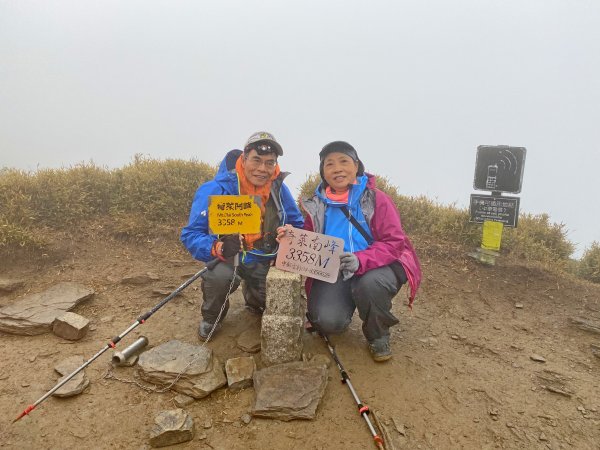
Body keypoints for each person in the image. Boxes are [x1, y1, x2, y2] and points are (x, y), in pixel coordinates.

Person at [296, 141, 421, 362]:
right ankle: (344, 304)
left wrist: (360, 260)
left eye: (344, 161)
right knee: (326, 322)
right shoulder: (316, 205)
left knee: (370, 285)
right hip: (336, 271)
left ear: (356, 166)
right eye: (329, 164)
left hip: (378, 267)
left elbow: (394, 242)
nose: (337, 168)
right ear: (323, 172)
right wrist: (290, 238)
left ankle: (378, 335)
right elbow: (309, 239)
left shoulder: (376, 199)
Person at [181, 131, 304, 340]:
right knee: (219, 277)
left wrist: (287, 234)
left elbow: (297, 223)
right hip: (228, 258)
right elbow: (191, 234)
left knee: (272, 300)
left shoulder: (279, 189)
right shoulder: (215, 189)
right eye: (256, 160)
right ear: (244, 158)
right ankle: (212, 317)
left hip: (264, 258)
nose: (262, 169)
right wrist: (217, 247)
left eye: (269, 163)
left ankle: (253, 296)